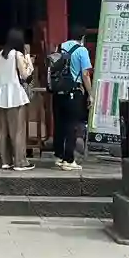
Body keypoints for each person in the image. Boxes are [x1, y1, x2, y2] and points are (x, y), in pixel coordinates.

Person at [0, 28, 33, 170]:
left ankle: (5, 161)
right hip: (15, 94)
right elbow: (25, 75)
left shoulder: (0, 55)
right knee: (18, 130)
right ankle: (20, 162)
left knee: (3, 131)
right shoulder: (17, 54)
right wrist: (29, 60)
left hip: (0, 94)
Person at [47, 31, 93, 170]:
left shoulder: (60, 47)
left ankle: (59, 156)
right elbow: (85, 74)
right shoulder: (82, 50)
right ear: (82, 37)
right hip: (74, 92)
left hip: (58, 91)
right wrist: (90, 93)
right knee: (72, 125)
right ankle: (68, 160)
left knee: (59, 124)